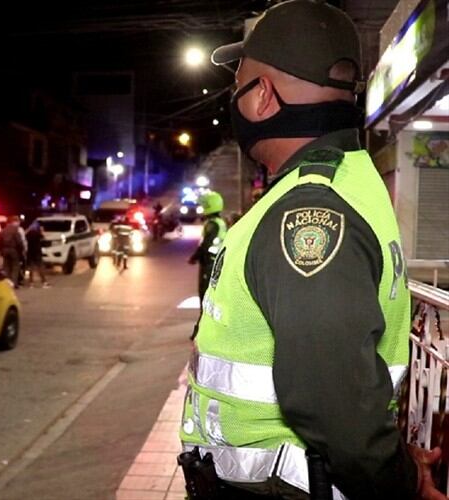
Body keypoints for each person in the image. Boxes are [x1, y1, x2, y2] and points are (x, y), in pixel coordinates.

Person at [178, 2, 445, 499]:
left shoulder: (308, 213)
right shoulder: (343, 182)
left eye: (238, 84)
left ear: (261, 98)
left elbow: (335, 403)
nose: (232, 100)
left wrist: (403, 486)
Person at [187, 191, 227, 304]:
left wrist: (194, 257)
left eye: (204, 205)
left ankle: (204, 320)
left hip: (210, 262)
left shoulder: (212, 224)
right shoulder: (218, 222)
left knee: (205, 294)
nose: (202, 208)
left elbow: (206, 244)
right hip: (215, 261)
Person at [0, 216, 25, 287]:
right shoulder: (15, 230)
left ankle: (7, 283)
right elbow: (19, 242)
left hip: (5, 250)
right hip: (14, 251)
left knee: (6, 267)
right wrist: (21, 251)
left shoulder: (3, 230)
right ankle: (14, 283)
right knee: (15, 267)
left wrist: (1, 251)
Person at [24, 222, 50, 288]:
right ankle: (44, 282)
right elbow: (44, 238)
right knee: (40, 267)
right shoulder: (37, 233)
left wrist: (28, 229)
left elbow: (24, 235)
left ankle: (31, 283)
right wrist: (42, 230)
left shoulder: (28, 234)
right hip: (37, 252)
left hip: (30, 252)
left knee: (31, 268)